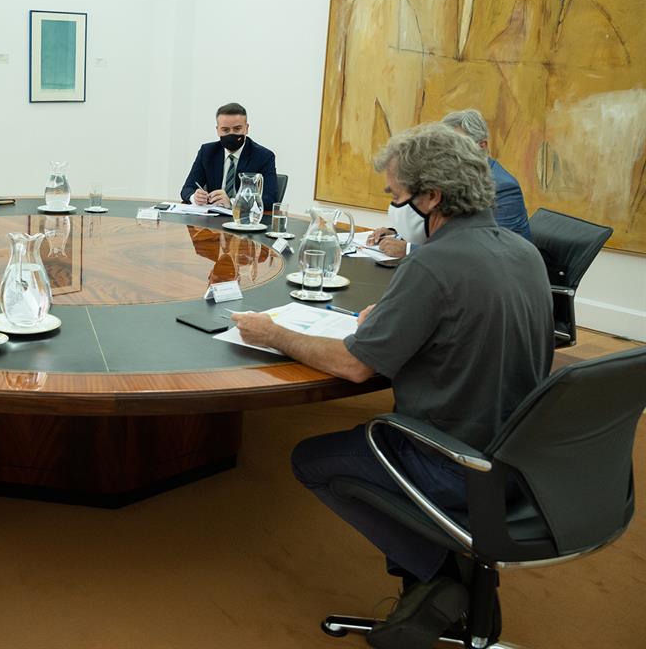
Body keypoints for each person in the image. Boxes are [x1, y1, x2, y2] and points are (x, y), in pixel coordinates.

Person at [232, 123, 553, 649]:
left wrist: (274, 333)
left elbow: (355, 367)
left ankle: (443, 579)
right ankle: (449, 577)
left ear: (431, 197)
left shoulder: (432, 263)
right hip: (524, 456)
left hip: (453, 462)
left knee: (314, 460)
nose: (394, 208)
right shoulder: (522, 253)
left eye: (396, 196)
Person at [368, 109, 531, 257]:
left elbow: (494, 250)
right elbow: (447, 230)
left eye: (459, 146)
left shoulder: (503, 186)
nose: (449, 155)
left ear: (482, 146)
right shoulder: (449, 181)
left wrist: (410, 249)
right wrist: (399, 234)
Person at [179, 102, 278, 211]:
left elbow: (270, 199)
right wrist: (195, 197)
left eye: (237, 129)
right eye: (225, 130)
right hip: (212, 219)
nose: (231, 134)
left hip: (246, 221)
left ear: (246, 128)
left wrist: (233, 202)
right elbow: (187, 189)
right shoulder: (207, 152)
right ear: (217, 130)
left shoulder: (263, 156)